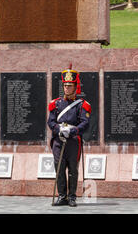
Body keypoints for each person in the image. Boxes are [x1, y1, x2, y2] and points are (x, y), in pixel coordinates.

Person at [48, 65, 91, 207]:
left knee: (73, 169)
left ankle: (72, 196)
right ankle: (62, 196)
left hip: (73, 142)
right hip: (59, 141)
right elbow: (51, 121)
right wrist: (58, 129)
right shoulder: (56, 103)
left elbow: (84, 123)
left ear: (75, 87)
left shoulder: (81, 105)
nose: (66, 88)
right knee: (59, 169)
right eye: (65, 85)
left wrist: (72, 131)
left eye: (70, 86)